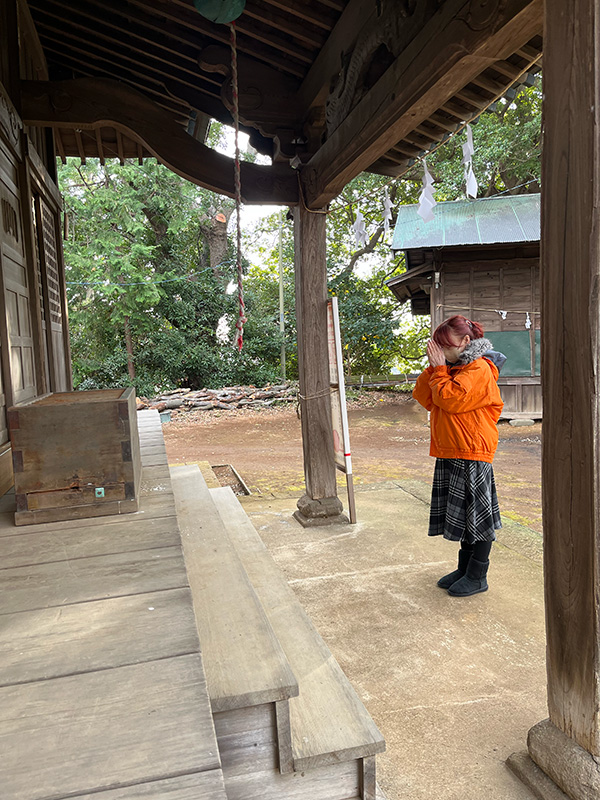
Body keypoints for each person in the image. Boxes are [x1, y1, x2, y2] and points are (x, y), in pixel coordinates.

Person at [412, 315, 505, 596]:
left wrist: (440, 370)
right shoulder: (452, 368)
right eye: (436, 346)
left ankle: (478, 574)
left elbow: (451, 399)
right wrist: (435, 369)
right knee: (466, 518)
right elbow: (425, 397)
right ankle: (465, 569)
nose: (441, 351)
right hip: (454, 448)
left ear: (466, 341)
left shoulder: (479, 369)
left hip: (472, 451)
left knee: (479, 519)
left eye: (445, 345)